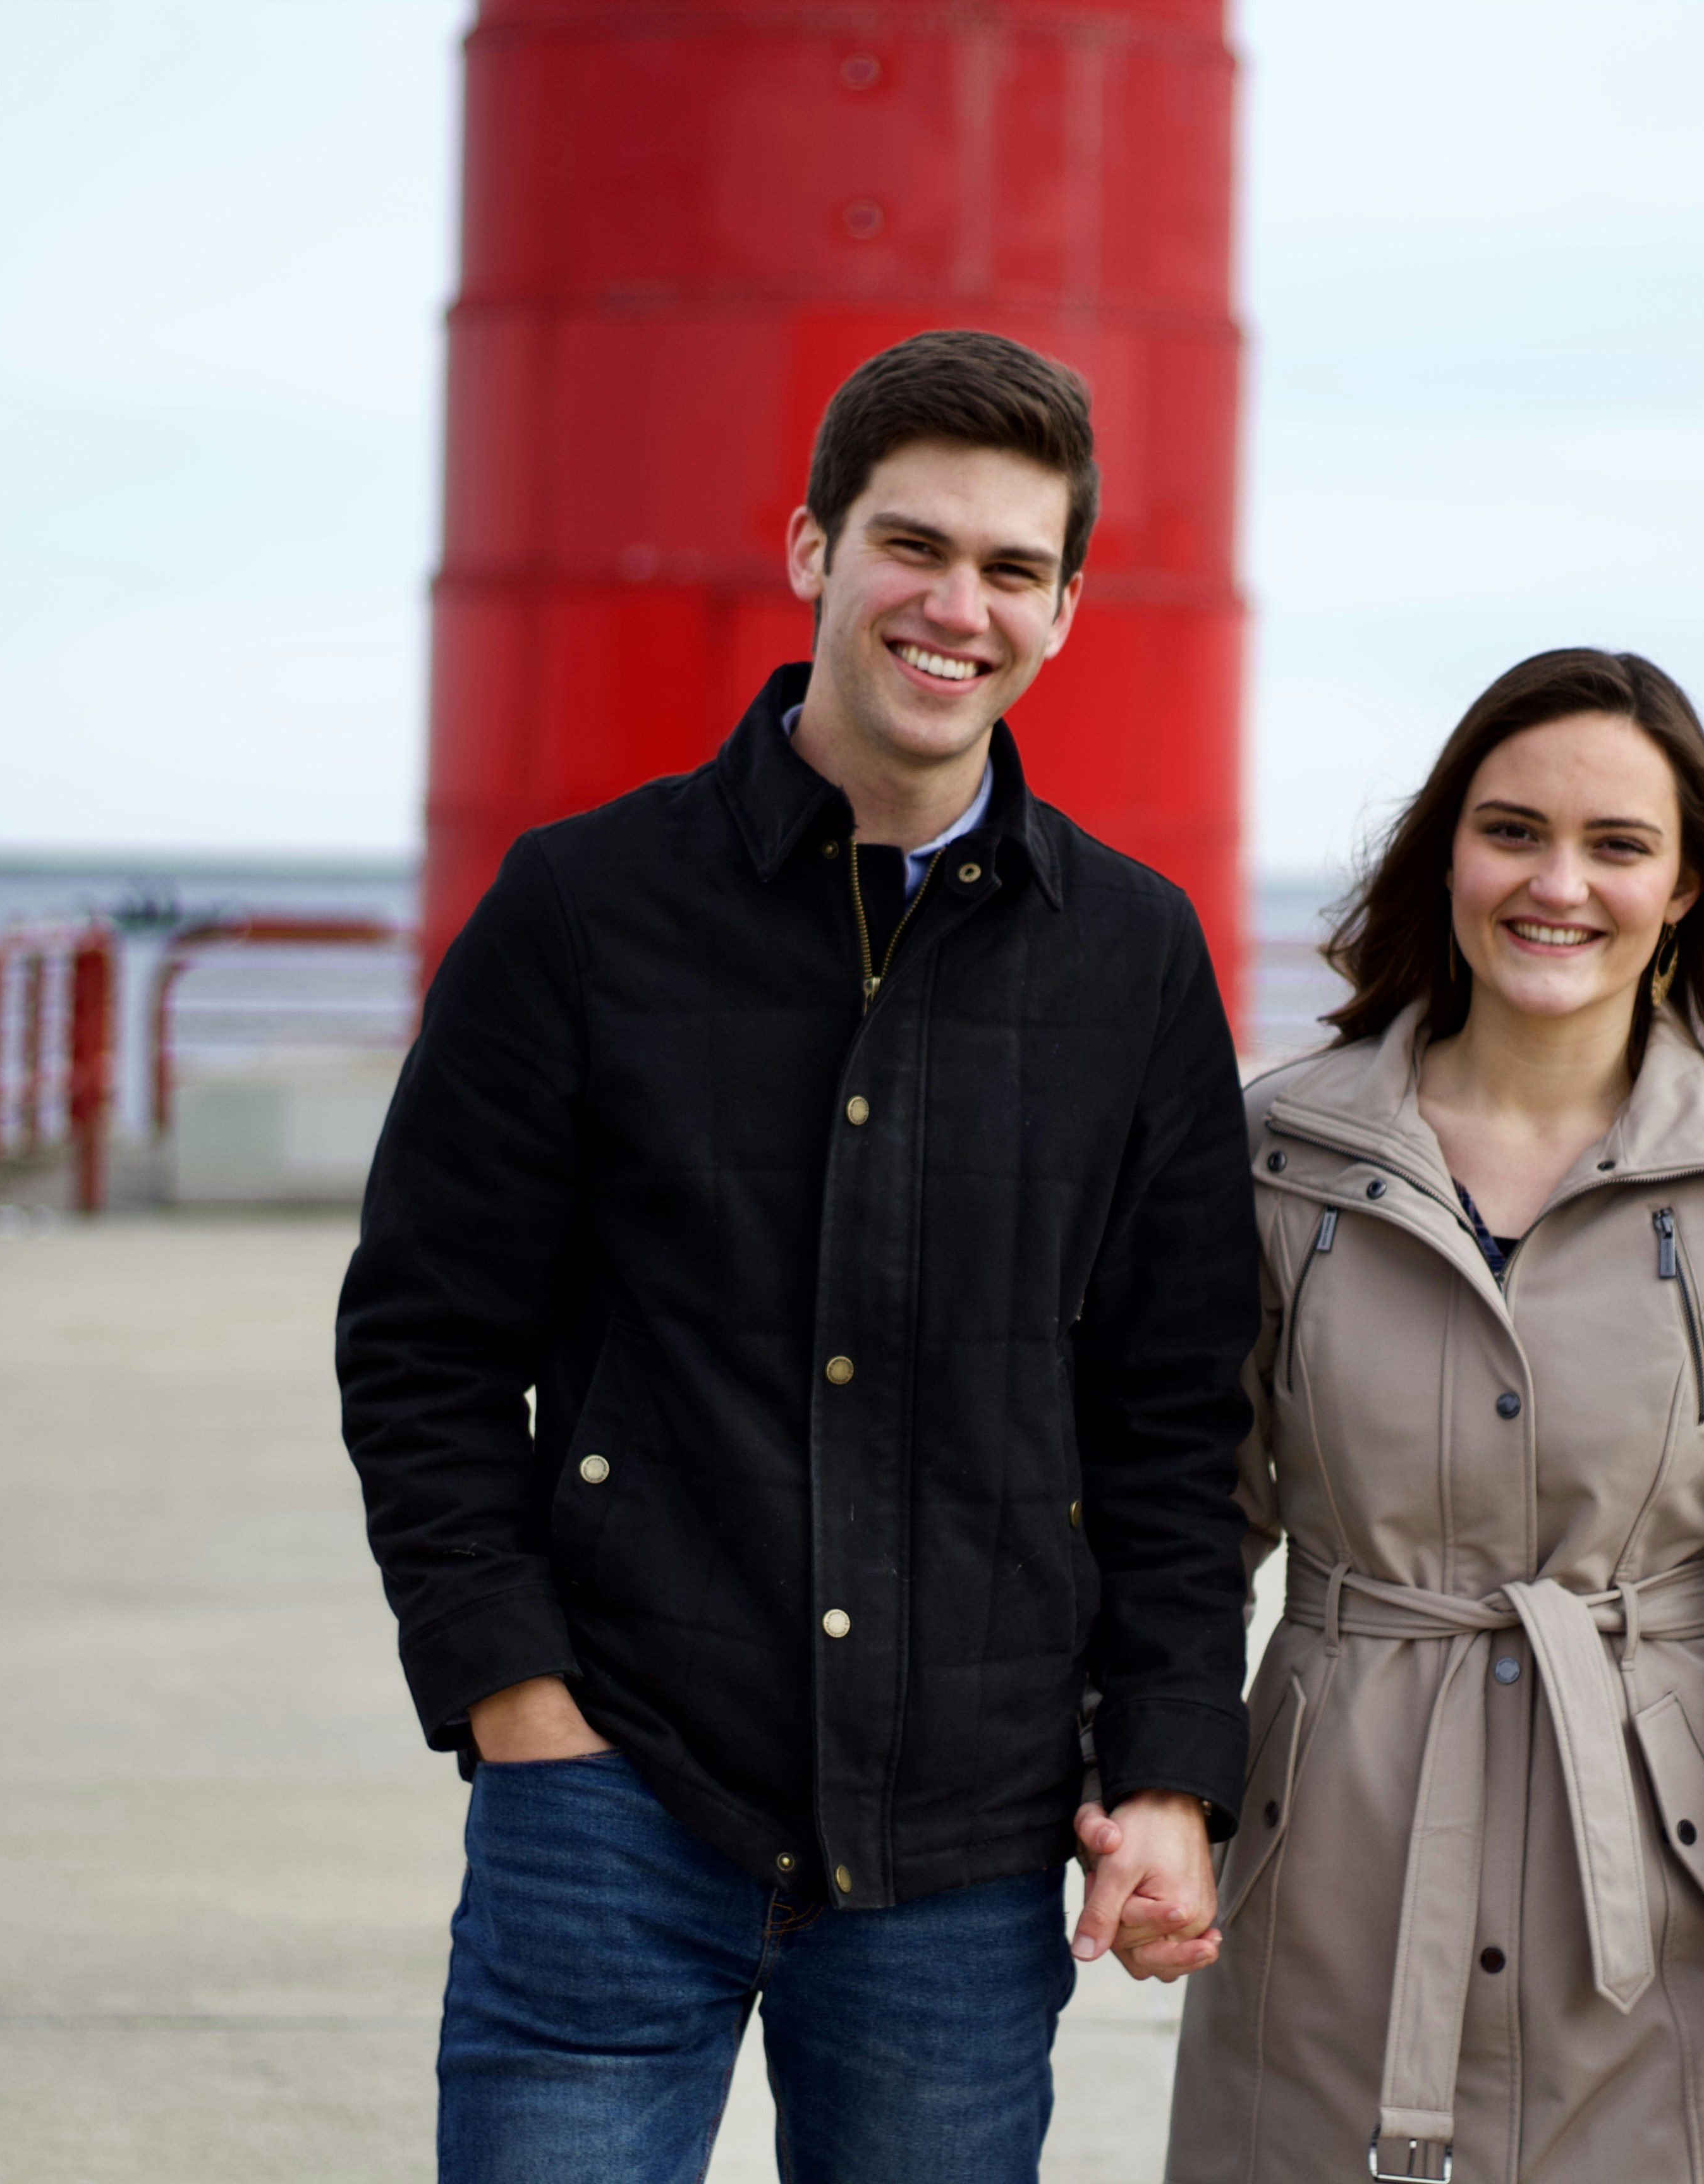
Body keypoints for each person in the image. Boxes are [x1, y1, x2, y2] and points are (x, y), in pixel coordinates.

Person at [336, 329, 1260, 2184]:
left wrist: (1165, 1768)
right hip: (611, 1796)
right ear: (811, 550)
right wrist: (517, 1699)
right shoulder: (584, 910)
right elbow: (426, 1344)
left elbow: (1174, 1411)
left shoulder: (1135, 958)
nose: (957, 605)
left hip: (970, 1836)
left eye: (1013, 569)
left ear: (1068, 611)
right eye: (912, 545)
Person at [1164, 649, 1704, 2183]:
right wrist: (1147, 1791)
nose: (1556, 884)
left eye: (1617, 845)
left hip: (1650, 1886)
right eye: (1512, 831)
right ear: (1448, 850)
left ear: (1688, 886)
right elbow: (1183, 1523)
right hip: (1327, 1869)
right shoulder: (1280, 1154)